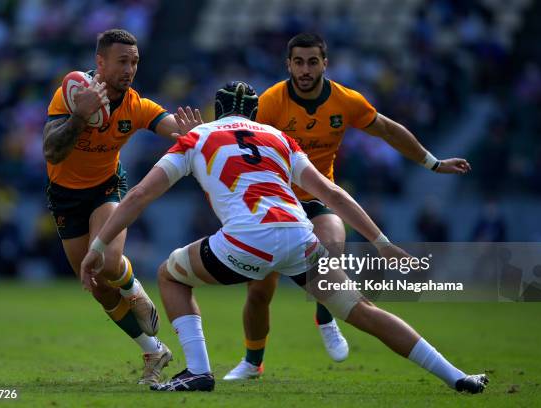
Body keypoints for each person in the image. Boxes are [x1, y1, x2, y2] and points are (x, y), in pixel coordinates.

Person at [80, 81, 488, 393]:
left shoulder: (198, 137)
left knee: (171, 274)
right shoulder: (278, 138)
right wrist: (381, 241)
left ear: (214, 111)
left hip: (246, 241)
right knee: (364, 311)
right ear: (257, 112)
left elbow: (138, 195)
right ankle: (456, 377)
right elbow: (331, 193)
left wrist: (98, 246)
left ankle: (199, 371)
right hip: (299, 237)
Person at [224, 33, 473, 380]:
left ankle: (325, 316)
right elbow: (241, 149)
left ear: (325, 63)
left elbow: (388, 129)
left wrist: (433, 163)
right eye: (299, 62)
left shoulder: (346, 101)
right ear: (288, 65)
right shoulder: (270, 103)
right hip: (276, 203)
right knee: (260, 289)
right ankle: (253, 361)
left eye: (313, 61)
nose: (306, 69)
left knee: (332, 247)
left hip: (317, 198)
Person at [42, 28, 202, 384]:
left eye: (134, 62)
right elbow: (52, 151)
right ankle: (154, 350)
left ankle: (134, 291)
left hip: (106, 189)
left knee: (109, 262)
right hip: (65, 196)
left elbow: (174, 128)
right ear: (100, 62)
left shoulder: (137, 106)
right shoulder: (71, 94)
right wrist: (79, 117)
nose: (129, 70)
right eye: (122, 62)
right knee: (97, 285)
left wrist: (198, 133)